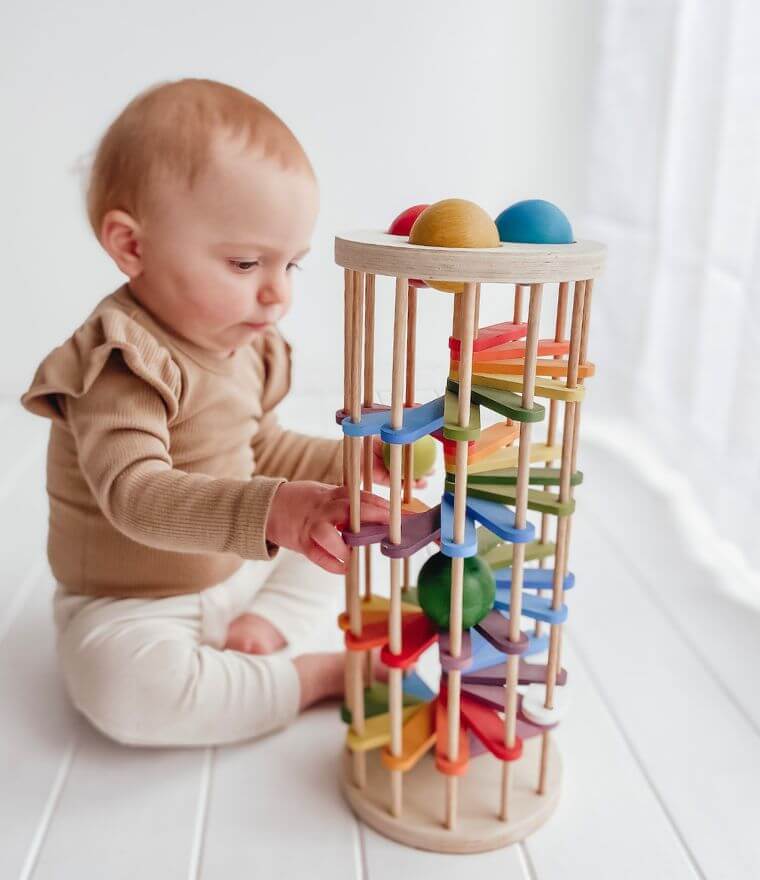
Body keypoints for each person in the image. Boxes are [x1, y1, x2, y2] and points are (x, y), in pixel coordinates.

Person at [20, 78, 398, 747]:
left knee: (337, 530)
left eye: (292, 265)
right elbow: (135, 496)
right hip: (131, 604)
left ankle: (259, 627)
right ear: (132, 246)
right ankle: (308, 678)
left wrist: (351, 463)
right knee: (123, 690)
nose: (277, 292)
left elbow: (263, 451)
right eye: (247, 262)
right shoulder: (120, 361)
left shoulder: (246, 347)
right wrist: (278, 511)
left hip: (232, 566)